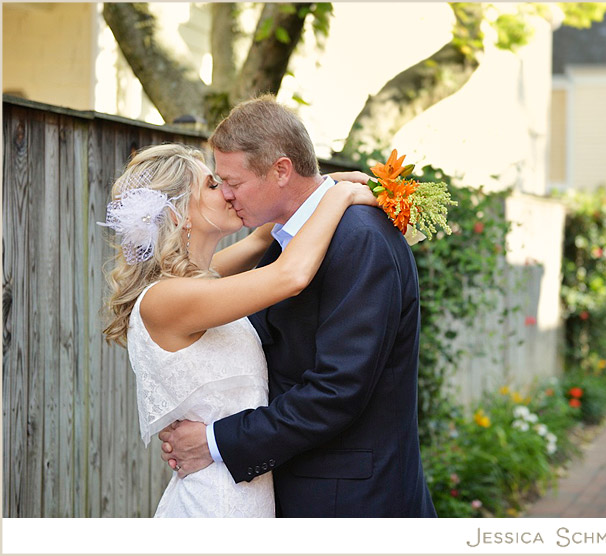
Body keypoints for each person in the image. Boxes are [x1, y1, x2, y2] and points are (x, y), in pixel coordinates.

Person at [159, 95, 437, 518]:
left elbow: (336, 390)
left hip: (351, 505)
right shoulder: (284, 244)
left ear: (281, 170)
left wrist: (216, 441)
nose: (228, 195)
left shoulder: (359, 237)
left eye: (233, 181)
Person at [100, 142, 376, 517]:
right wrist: (340, 196)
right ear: (181, 213)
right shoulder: (166, 299)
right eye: (213, 186)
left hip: (241, 490)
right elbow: (290, 275)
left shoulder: (197, 281)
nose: (228, 193)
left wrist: (316, 186)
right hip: (215, 505)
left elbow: (263, 238)